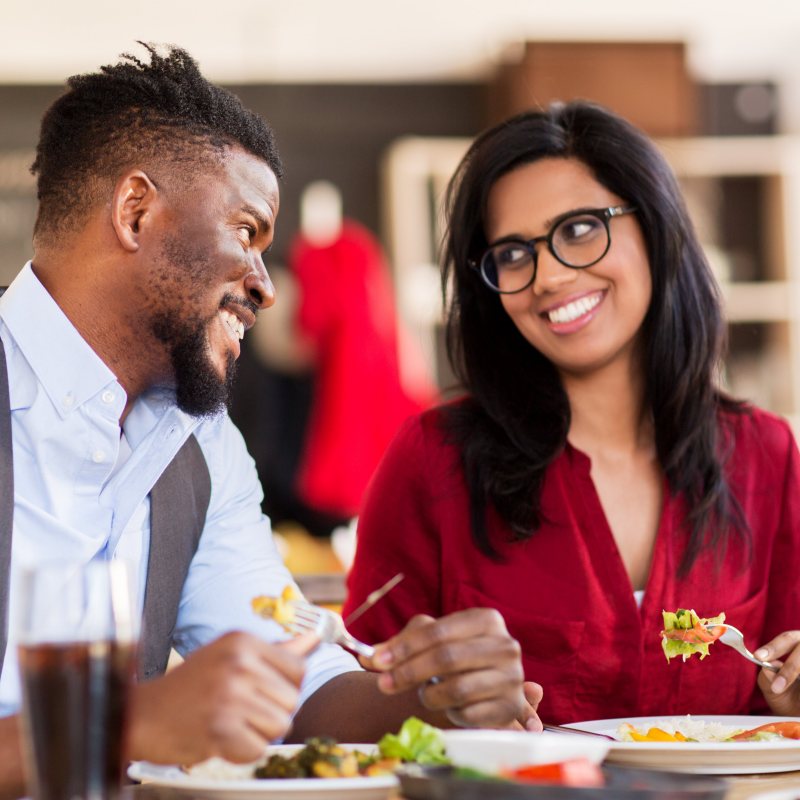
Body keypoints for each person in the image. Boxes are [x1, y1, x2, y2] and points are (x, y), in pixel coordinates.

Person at [0, 43, 540, 795]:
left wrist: (431, 694)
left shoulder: (201, 447)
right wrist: (129, 721)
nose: (267, 285)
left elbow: (302, 687)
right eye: (248, 232)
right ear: (135, 212)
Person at [344, 100, 800, 725]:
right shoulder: (434, 459)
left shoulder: (766, 455)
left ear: (656, 226)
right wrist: (438, 707)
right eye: (512, 253)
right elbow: (357, 694)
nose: (549, 276)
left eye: (580, 229)